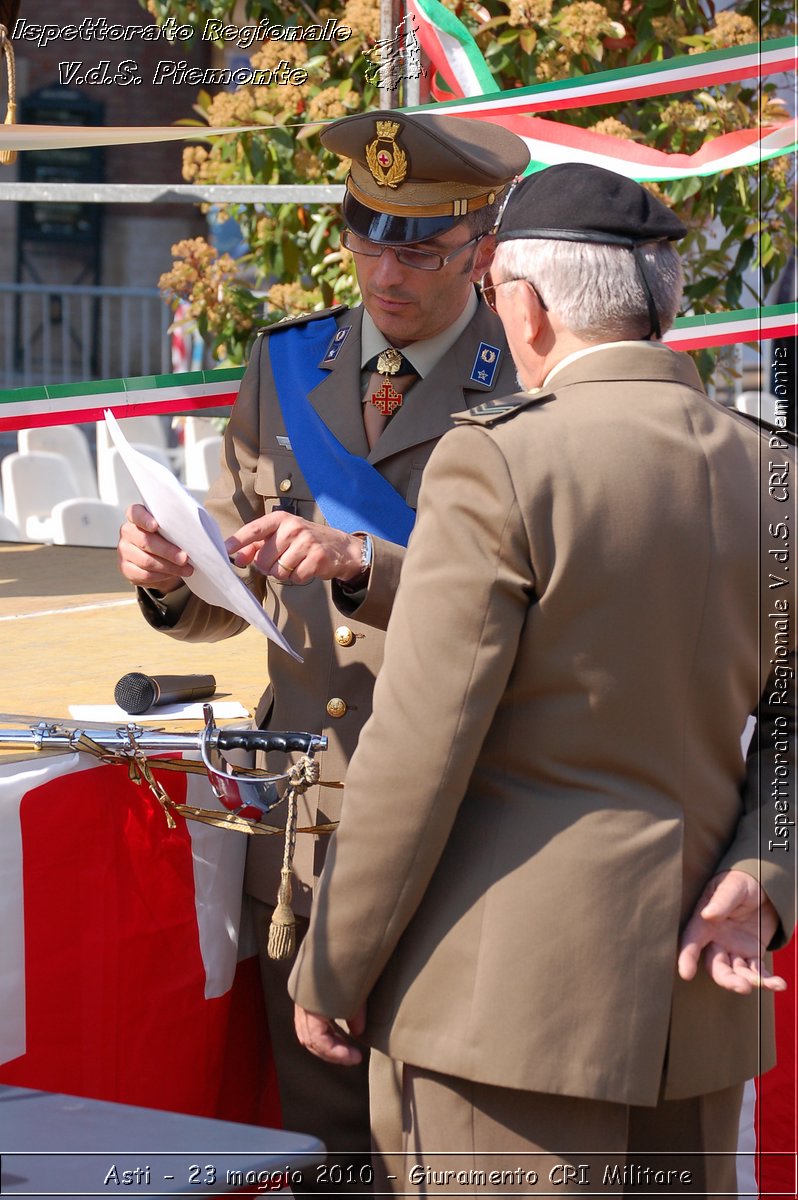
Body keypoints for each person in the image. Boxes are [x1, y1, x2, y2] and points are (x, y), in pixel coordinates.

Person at [288, 163, 796, 1195]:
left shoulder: (501, 461)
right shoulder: (774, 470)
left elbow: (419, 748)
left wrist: (333, 964)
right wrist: (768, 875)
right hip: (697, 1001)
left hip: (505, 1006)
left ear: (524, 306)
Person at [116, 109, 530, 1187]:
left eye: (420, 245)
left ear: (481, 247)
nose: (385, 269)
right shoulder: (289, 365)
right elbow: (242, 583)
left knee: (461, 1155)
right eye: (365, 234)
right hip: (303, 836)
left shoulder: (532, 381)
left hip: (462, 827)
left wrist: (358, 560)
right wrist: (172, 580)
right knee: (330, 1155)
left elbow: (541, 604)